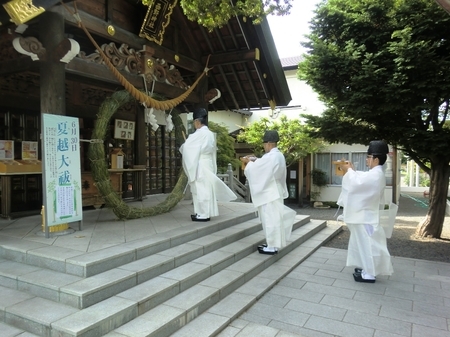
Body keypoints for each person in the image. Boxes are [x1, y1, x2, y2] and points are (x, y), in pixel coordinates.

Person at [336, 140, 393, 283]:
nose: (367, 160)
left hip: (366, 217)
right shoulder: (375, 174)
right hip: (365, 215)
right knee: (363, 243)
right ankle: (366, 268)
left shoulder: (376, 175)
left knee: (369, 245)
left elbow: (356, 184)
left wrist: (349, 171)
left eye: (369, 157)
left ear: (376, 159)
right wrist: (351, 170)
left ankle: (370, 273)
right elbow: (360, 178)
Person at [240, 130, 296, 255]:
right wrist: (255, 160)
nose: (264, 146)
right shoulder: (278, 155)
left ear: (269, 143)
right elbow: (262, 164)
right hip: (274, 190)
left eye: (264, 144)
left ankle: (271, 246)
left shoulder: (271, 157)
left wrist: (248, 163)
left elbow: (259, 169)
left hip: (269, 192)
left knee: (270, 219)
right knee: (274, 219)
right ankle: (273, 244)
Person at [179, 107, 236, 221]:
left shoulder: (198, 134)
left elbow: (187, 148)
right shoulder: (210, 134)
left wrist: (185, 147)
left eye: (194, 122)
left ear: (197, 121)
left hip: (199, 165)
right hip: (207, 163)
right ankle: (202, 212)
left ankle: (203, 214)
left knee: (201, 190)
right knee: (205, 189)